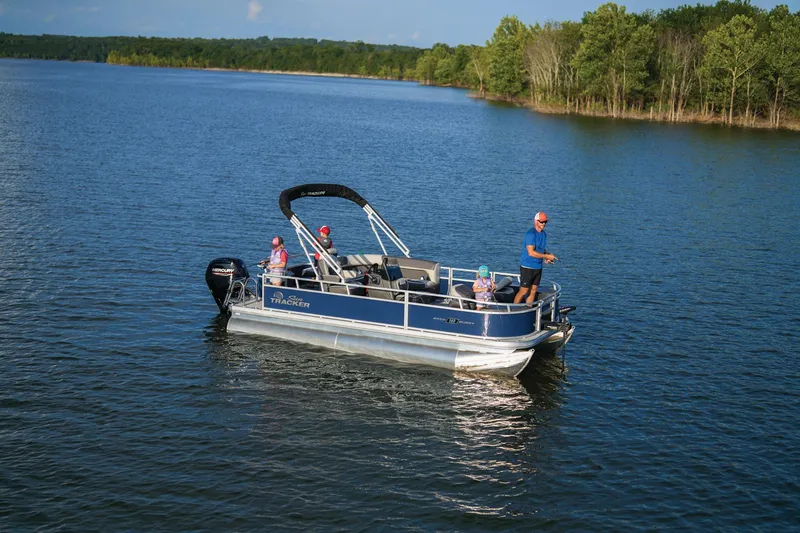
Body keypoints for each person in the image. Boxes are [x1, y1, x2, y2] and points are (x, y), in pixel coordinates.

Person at [513, 212, 558, 306]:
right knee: (524, 290)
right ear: (535, 221)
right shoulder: (531, 234)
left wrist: (547, 255)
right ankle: (513, 309)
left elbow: (540, 249)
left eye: (545, 222)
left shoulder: (544, 234)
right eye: (541, 222)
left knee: (533, 290)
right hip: (527, 266)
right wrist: (546, 256)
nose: (544, 224)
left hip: (538, 267)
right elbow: (531, 252)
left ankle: (529, 308)